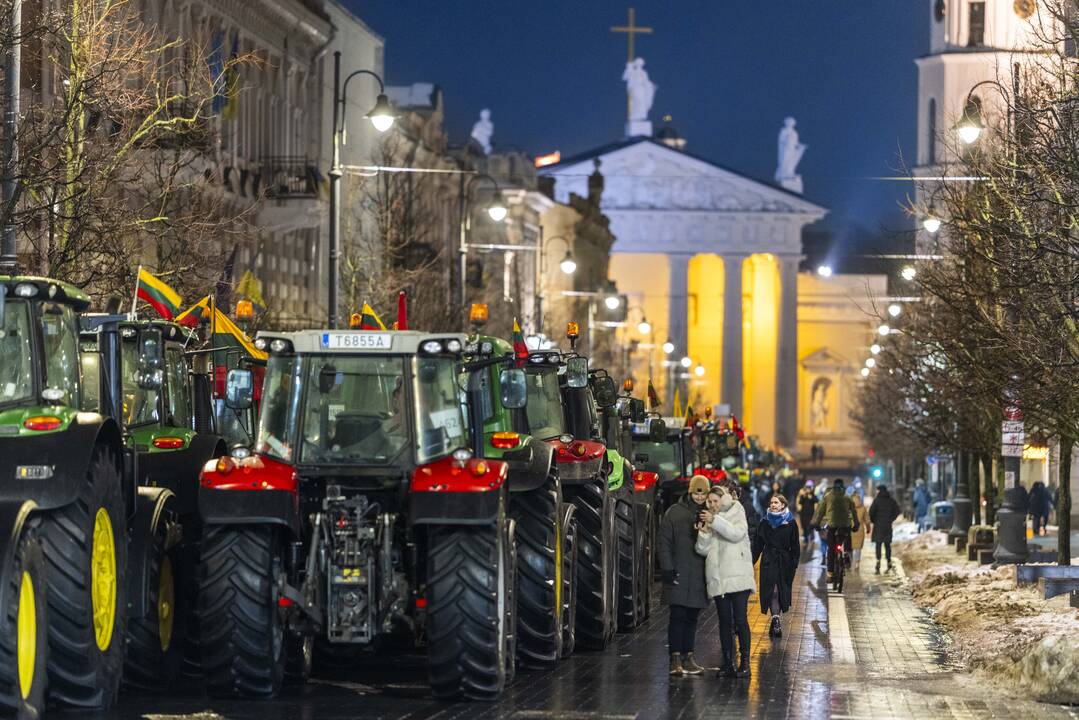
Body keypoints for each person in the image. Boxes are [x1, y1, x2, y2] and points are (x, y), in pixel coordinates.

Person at [697, 485, 756, 678]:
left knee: (740, 620)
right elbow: (702, 550)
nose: (713, 504)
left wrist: (715, 521)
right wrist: (704, 531)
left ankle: (745, 663)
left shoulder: (736, 510)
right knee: (724, 622)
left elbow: (735, 534)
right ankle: (727, 662)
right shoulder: (710, 519)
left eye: (716, 500)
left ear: (724, 500)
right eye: (710, 501)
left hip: (737, 576)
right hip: (719, 579)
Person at [658, 475, 710, 676]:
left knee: (692, 617)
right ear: (690, 492)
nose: (699, 497)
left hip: (698, 574)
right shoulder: (674, 513)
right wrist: (668, 569)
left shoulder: (709, 514)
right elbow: (664, 543)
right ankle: (675, 658)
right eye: (697, 492)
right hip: (678, 571)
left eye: (703, 493)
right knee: (678, 616)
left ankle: (688, 657)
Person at [752, 494, 800, 638]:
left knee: (780, 591)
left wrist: (794, 563)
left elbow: (795, 546)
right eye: (772, 502)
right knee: (771, 591)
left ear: (783, 505)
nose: (773, 505)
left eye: (776, 503)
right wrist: (751, 562)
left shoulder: (791, 522)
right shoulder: (764, 522)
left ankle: (775, 620)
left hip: (784, 562)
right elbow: (757, 545)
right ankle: (776, 621)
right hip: (768, 560)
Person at [812, 478, 859, 577]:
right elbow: (854, 512)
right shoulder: (847, 497)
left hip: (832, 526)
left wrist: (817, 524)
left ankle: (830, 573)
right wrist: (856, 525)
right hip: (845, 525)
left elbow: (820, 512)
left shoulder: (827, 497)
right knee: (845, 540)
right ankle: (846, 554)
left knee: (831, 549)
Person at [868, 484, 901, 573]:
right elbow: (897, 510)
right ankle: (888, 561)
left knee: (878, 545)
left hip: (878, 526)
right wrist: (891, 519)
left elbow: (871, 512)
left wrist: (874, 520)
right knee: (887, 545)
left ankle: (878, 561)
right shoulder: (891, 500)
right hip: (887, 525)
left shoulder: (877, 501)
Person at [850, 493, 870, 568]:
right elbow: (867, 521)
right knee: (858, 547)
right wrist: (868, 529)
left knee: (850, 546)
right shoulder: (863, 508)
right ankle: (857, 563)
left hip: (850, 529)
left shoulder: (848, 507)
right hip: (859, 529)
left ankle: (850, 560)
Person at [797, 482, 818, 549]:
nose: (808, 490)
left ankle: (811, 536)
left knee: (810, 527)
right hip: (803, 514)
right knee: (804, 527)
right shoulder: (804, 496)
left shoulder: (813, 496)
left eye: (809, 488)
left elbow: (816, 501)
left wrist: (811, 497)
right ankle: (806, 540)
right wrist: (804, 496)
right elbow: (800, 502)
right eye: (807, 488)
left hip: (810, 515)